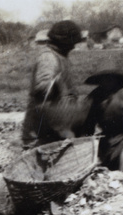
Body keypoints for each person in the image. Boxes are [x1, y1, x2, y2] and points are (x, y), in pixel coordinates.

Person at [21, 20, 91, 149]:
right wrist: (60, 86)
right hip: (41, 134)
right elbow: (42, 87)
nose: (73, 47)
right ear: (64, 42)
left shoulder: (60, 56)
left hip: (54, 128)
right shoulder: (48, 58)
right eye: (72, 43)